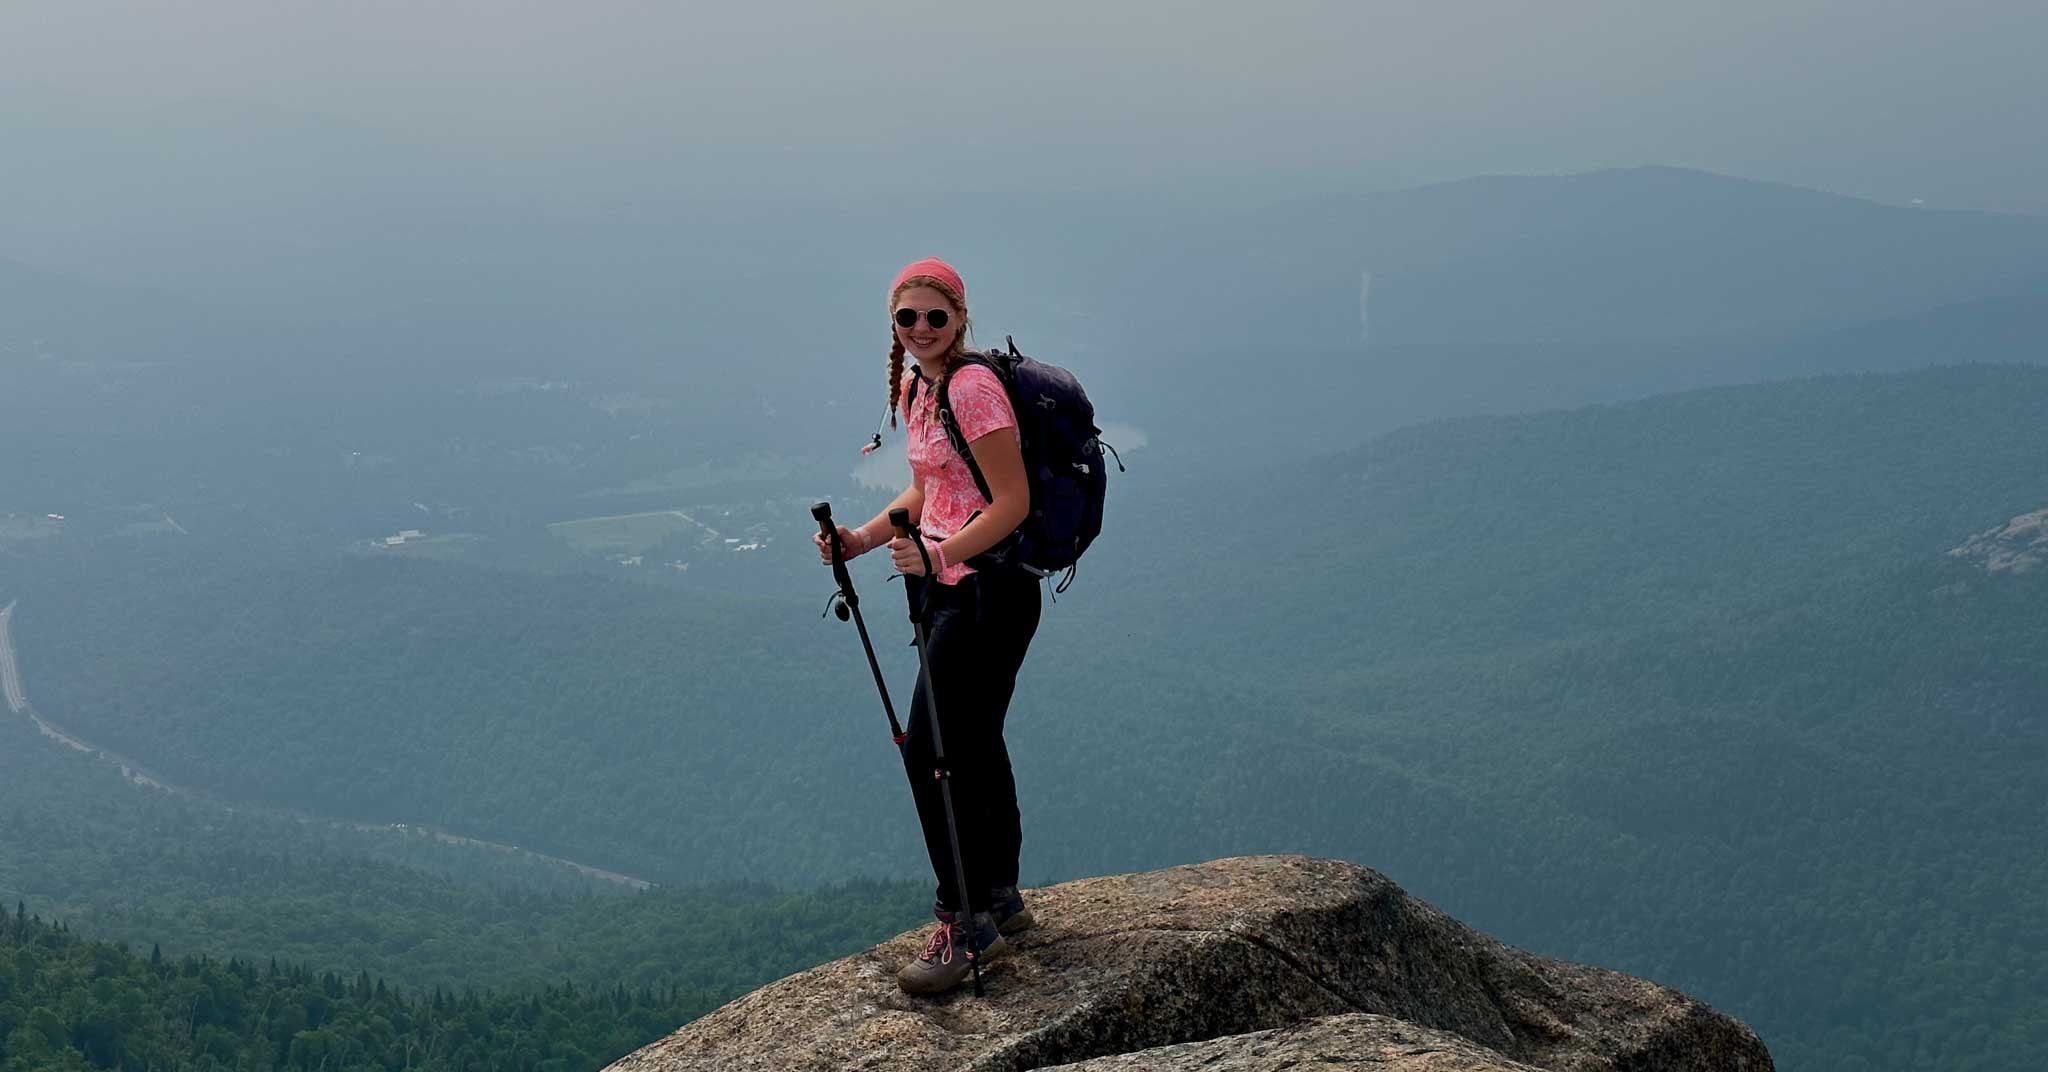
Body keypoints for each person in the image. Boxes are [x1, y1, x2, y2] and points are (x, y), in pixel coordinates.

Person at [814, 256, 1042, 994]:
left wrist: (939, 555)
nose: (918, 329)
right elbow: (926, 486)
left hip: (987, 591)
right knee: (973, 742)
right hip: (948, 587)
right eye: (905, 318)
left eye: (933, 317)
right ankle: (1000, 898)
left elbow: (1012, 501)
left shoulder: (973, 389)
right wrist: (858, 540)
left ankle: (964, 920)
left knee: (930, 754)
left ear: (959, 319)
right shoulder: (918, 385)